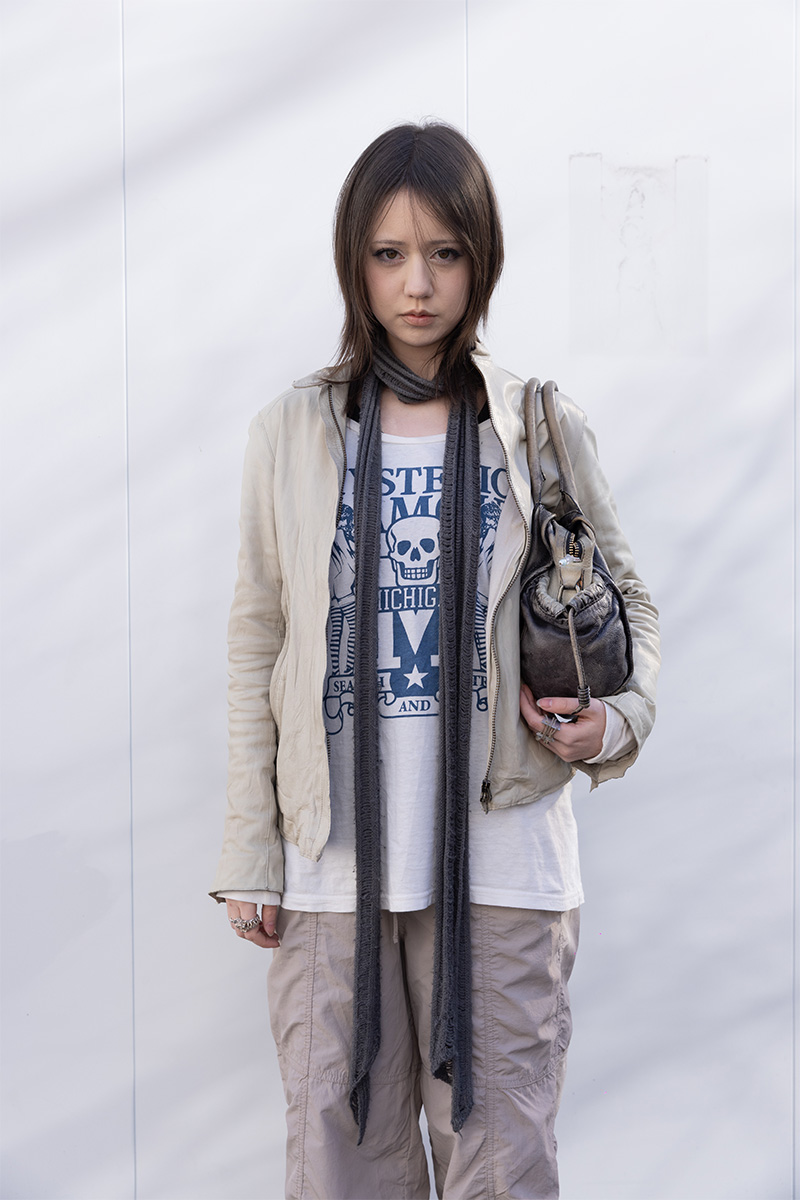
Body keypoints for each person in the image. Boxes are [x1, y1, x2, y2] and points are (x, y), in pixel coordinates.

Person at [210, 121, 660, 1200]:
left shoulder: (537, 425)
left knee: (499, 1168)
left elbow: (630, 602)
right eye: (389, 254)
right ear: (354, 263)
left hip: (503, 857)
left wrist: (619, 720)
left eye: (445, 253)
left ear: (480, 258)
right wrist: (249, 848)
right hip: (331, 863)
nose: (417, 285)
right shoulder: (293, 431)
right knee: (341, 1167)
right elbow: (259, 636)